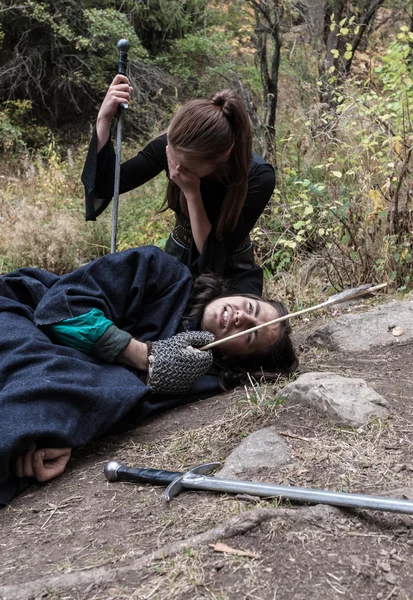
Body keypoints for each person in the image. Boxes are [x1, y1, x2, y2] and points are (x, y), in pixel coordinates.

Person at [0, 246, 297, 505]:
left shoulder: (201, 374)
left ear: (237, 358)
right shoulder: (159, 269)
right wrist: (145, 355)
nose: (241, 317)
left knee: (71, 393)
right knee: (54, 380)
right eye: (250, 306)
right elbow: (60, 312)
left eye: (250, 333)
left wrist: (65, 437)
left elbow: (120, 401)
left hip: (60, 379)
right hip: (22, 316)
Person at [82, 76, 276, 295]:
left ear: (222, 157)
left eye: (183, 166)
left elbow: (213, 258)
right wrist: (104, 119)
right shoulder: (171, 148)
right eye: (170, 156)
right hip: (177, 259)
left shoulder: (259, 177)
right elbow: (105, 187)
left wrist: (192, 193)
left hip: (231, 270)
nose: (174, 166)